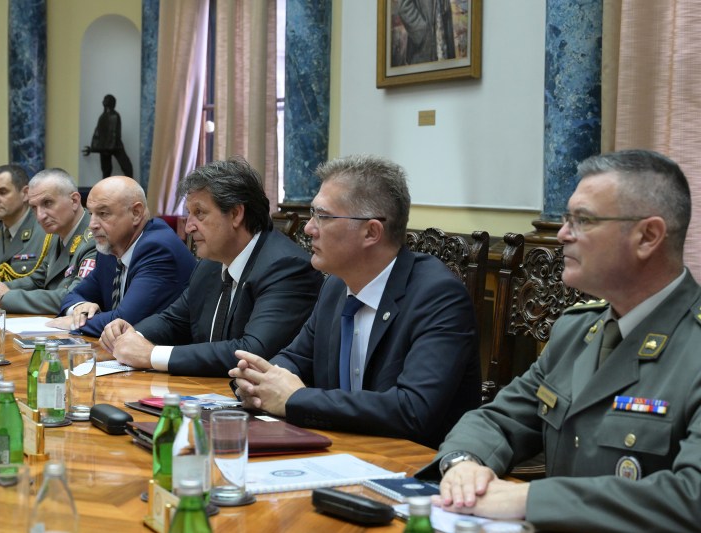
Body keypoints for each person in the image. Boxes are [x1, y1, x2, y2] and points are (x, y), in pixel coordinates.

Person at [424, 149, 701, 531]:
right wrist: (464, 464)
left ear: (647, 236)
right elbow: (499, 419)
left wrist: (528, 500)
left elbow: (691, 496)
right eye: (567, 219)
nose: (563, 234)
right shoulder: (578, 330)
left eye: (582, 220)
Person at [229, 154, 481, 448]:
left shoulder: (438, 297)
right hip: (343, 449)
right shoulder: (335, 286)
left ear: (371, 232)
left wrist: (296, 399)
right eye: (312, 214)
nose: (309, 228)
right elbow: (296, 359)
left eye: (323, 216)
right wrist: (258, 382)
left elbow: (412, 410)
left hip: (415, 461)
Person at [99, 157, 324, 376]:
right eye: (189, 214)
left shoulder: (286, 268)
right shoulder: (209, 265)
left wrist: (152, 355)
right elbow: (173, 320)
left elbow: (252, 352)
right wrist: (132, 335)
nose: (189, 227)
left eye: (199, 213)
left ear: (236, 214)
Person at [49, 176, 196, 337]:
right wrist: (80, 309)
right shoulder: (111, 249)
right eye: (91, 213)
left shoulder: (158, 249)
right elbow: (73, 295)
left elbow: (125, 321)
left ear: (136, 213)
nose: (92, 224)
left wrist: (74, 323)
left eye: (103, 213)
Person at [0, 168, 96, 314]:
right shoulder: (56, 234)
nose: (40, 216)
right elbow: (39, 279)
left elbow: (74, 297)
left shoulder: (94, 239)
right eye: (34, 208)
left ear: (74, 201)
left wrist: (7, 297)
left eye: (48, 203)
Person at [82, 94, 133, 178]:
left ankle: (131, 183)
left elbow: (114, 135)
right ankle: (105, 185)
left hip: (115, 146)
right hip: (104, 147)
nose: (103, 101)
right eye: (104, 99)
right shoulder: (102, 117)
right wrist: (94, 148)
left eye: (106, 99)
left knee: (126, 166)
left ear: (111, 102)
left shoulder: (114, 116)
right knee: (106, 170)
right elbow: (97, 133)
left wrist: (97, 149)